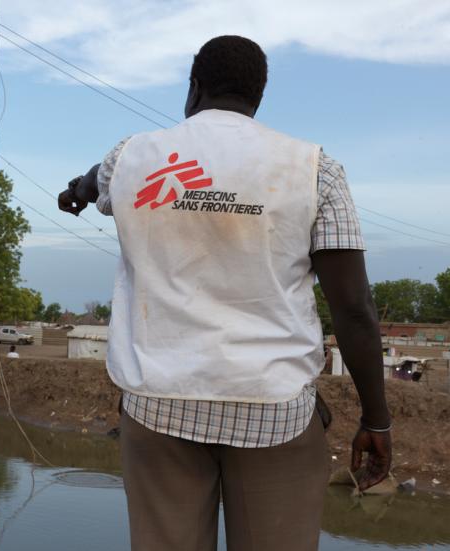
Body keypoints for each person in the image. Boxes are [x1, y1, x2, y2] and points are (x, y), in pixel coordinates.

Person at [58, 35, 391, 551]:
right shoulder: (313, 170)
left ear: (194, 88)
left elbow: (89, 182)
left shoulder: (131, 157)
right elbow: (354, 309)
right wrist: (376, 419)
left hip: (157, 407)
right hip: (274, 409)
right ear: (259, 97)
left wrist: (72, 195)